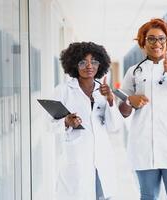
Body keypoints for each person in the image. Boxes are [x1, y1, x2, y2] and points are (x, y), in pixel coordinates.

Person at [119, 18, 167, 200]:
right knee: (148, 196)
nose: (156, 43)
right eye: (151, 39)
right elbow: (123, 109)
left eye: (161, 38)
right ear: (143, 41)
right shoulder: (133, 71)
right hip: (143, 144)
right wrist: (130, 100)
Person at [51, 42, 121, 200]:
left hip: (102, 158)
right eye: (83, 62)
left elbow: (114, 127)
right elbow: (49, 126)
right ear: (74, 64)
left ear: (100, 64)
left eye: (94, 61)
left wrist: (110, 100)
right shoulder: (63, 90)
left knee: (103, 195)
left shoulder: (103, 91)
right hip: (77, 158)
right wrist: (66, 122)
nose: (89, 66)